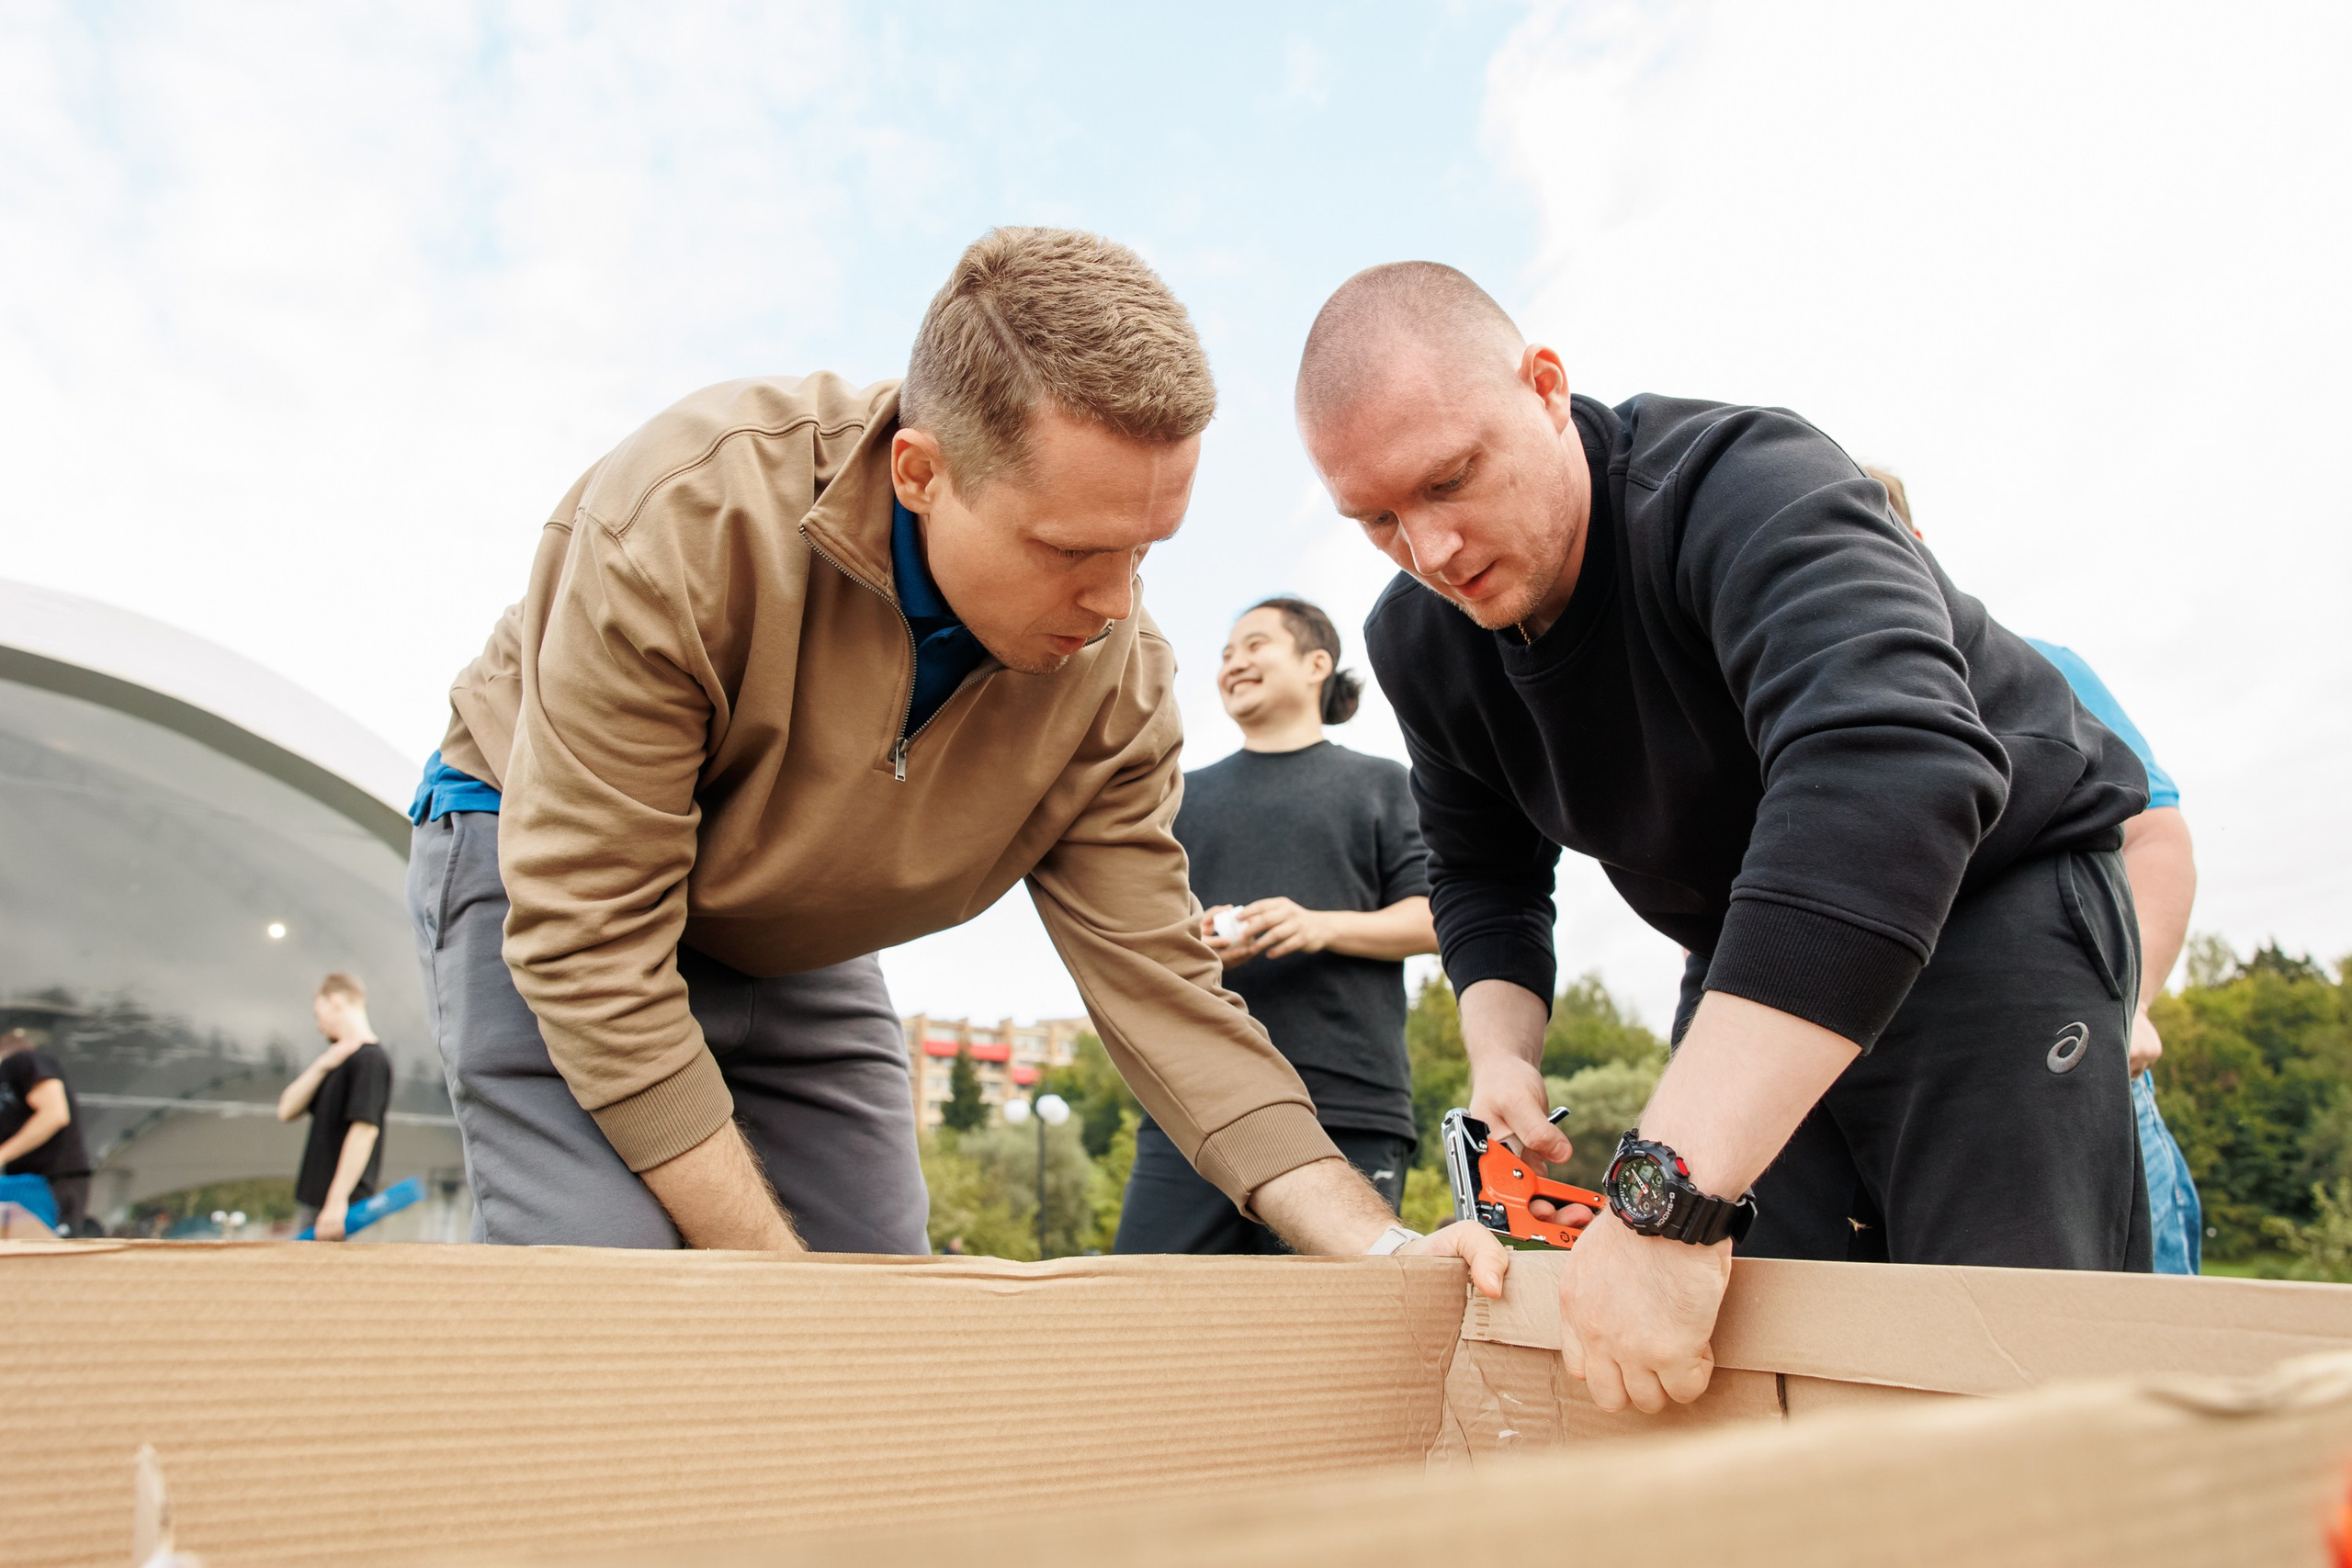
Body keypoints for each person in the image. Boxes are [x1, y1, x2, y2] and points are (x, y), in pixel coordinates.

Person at [404, 227, 1504, 1290]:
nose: (1115, 605)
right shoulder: (685, 520)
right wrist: (785, 1298)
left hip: (796, 926)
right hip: (546, 879)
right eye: (1071, 549)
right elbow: (590, 946)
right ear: (920, 472)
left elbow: (1164, 986)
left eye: (1144, 551)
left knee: (890, 1306)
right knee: (632, 1320)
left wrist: (1381, 1246)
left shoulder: (1116, 677)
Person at [1295, 262, 2153, 1417]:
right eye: (1380, 521)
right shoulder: (1422, 638)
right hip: (1749, 950)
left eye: (1450, 479)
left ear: (1546, 389)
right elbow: (1480, 867)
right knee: (1748, 1372)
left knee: (2004, 1367)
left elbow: (1890, 775)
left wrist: (1669, 1203)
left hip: (1983, 906)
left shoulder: (1748, 483)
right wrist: (1503, 1059)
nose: (1433, 549)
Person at [1869, 467, 2203, 1273]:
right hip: (1900, 1124)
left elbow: (2154, 836)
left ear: (1913, 544)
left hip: (2073, 1087)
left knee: (2128, 1367)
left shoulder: (2031, 668)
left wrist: (2135, 1002)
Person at [1114, 597, 1437, 1253]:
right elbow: (1139, 935)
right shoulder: (1177, 795)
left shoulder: (1381, 783)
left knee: (1332, 1340)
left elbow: (1438, 919)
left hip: (1345, 1105)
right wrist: (1192, 944)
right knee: (1150, 1333)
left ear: (1318, 663)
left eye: (1256, 644)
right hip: (1194, 1105)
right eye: (1227, 653)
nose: (1235, 661)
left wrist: (1319, 926)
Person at [278, 973, 393, 1242]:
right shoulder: (336, 1061)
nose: (319, 1025)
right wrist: (323, 1064)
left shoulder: (371, 1060)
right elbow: (286, 1110)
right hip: (317, 1203)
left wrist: (336, 1201)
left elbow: (364, 1131)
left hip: (341, 1210)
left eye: (319, 1012)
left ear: (335, 1001)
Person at [0, 1026, 93, 1235]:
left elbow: (54, 1114)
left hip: (52, 1182)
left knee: (47, 1257)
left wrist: (2, 1155)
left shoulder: (23, 1060)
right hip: (28, 1185)